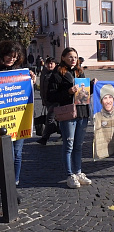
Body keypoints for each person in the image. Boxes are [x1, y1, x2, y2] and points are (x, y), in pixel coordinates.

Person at [47, 47, 96, 188]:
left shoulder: (79, 72)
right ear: (63, 58)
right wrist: (68, 92)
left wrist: (92, 85)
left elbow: (85, 93)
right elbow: (51, 96)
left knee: (78, 146)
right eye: (70, 57)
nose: (73, 59)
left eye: (75, 57)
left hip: (82, 112)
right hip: (68, 113)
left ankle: (78, 171)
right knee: (68, 145)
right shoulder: (56, 74)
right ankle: (70, 175)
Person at [0, 40, 36, 203]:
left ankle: (14, 187)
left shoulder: (19, 71)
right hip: (2, 122)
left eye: (14, 57)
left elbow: (25, 90)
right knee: (5, 156)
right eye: (9, 55)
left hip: (18, 119)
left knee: (17, 155)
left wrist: (31, 80)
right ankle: (4, 189)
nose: (11, 59)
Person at [93, 84, 114, 159]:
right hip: (101, 153)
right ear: (101, 101)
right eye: (105, 98)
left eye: (110, 97)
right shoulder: (96, 117)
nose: (108, 101)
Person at [37, 57, 59, 145]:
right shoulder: (44, 73)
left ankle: (44, 138)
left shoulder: (57, 73)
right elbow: (42, 88)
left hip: (55, 101)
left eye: (52, 63)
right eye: (48, 63)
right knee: (56, 119)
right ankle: (61, 131)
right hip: (47, 100)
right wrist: (43, 99)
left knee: (49, 118)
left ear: (55, 64)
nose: (49, 65)